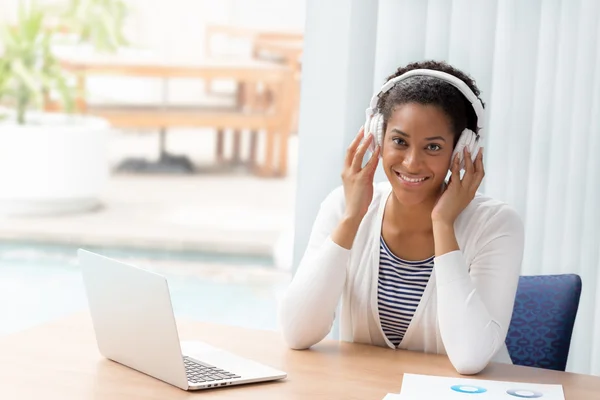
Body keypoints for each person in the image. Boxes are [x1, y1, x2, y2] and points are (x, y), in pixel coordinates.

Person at [279, 60, 525, 375]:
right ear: (377, 136)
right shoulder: (344, 208)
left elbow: (470, 358)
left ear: (462, 149)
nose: (411, 163)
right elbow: (296, 333)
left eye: (433, 147)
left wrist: (443, 223)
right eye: (399, 141)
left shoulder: (496, 225)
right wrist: (352, 218)